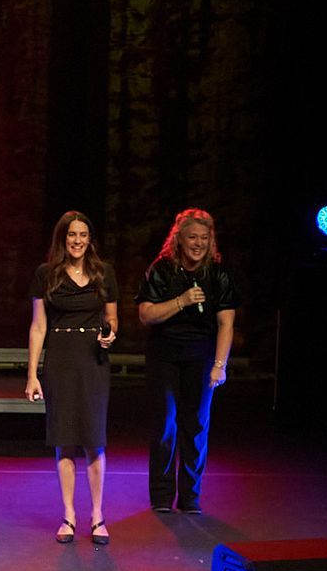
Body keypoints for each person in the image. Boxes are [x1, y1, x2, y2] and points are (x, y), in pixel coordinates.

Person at [25, 211, 119, 545]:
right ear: (62, 238)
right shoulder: (46, 274)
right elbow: (39, 326)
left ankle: (97, 515)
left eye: (83, 235)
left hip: (93, 361)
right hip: (60, 360)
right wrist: (32, 374)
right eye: (71, 235)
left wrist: (110, 334)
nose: (77, 241)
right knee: (64, 438)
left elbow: (112, 318)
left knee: (94, 439)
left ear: (90, 239)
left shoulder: (103, 272)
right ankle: (68, 514)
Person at [136, 208, 236, 514]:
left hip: (200, 357)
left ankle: (190, 497)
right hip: (164, 355)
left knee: (196, 426)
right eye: (193, 237)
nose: (198, 244)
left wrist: (220, 365)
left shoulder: (217, 273)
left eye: (204, 238)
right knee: (165, 424)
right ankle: (161, 497)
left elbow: (226, 323)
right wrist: (181, 301)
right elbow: (146, 314)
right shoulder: (162, 270)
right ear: (179, 239)